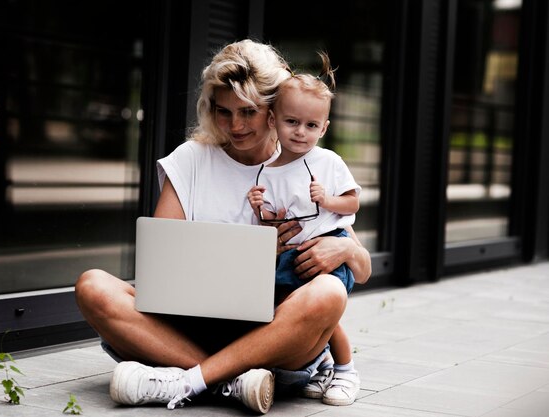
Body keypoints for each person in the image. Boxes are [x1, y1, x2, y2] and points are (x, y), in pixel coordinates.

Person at [74, 39, 371, 414]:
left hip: (275, 338)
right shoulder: (192, 160)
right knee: (93, 286)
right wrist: (256, 251)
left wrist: (346, 249)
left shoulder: (308, 165)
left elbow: (362, 271)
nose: (235, 125)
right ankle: (230, 381)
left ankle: (191, 378)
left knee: (329, 292)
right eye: (223, 111)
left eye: (247, 112)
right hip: (189, 328)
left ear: (273, 111)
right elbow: (162, 269)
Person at [247, 52, 361, 406]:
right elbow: (273, 221)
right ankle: (319, 363)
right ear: (273, 120)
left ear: (324, 128)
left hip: (328, 247)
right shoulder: (267, 169)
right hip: (291, 255)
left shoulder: (328, 162)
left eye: (312, 126)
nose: (301, 132)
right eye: (292, 122)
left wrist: (327, 200)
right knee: (282, 308)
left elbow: (352, 204)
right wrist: (259, 207)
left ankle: (346, 370)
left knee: (323, 314)